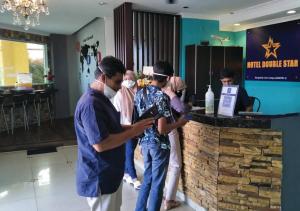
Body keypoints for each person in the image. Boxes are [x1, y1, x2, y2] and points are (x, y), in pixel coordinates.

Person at [74, 56, 153, 211]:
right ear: (103, 78)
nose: (119, 87)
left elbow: (112, 127)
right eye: (117, 82)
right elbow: (100, 144)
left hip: (111, 173)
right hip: (100, 176)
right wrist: (133, 132)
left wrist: (133, 127)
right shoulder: (91, 104)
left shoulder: (102, 99)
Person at [135, 61, 188, 211]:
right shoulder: (162, 97)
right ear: (168, 78)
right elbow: (162, 129)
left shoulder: (140, 93)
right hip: (159, 145)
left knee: (147, 180)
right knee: (158, 184)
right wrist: (180, 123)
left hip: (144, 142)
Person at [113, 70, 141, 190]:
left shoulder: (138, 92)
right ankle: (134, 178)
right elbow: (116, 112)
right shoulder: (119, 94)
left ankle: (125, 173)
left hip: (136, 127)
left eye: (131, 78)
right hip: (125, 128)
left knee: (128, 151)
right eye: (126, 79)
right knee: (129, 153)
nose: (128, 81)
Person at [162, 76, 187, 210]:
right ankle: (169, 199)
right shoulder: (168, 94)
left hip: (156, 134)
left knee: (166, 164)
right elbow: (182, 109)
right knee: (175, 164)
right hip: (169, 130)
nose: (181, 91)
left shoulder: (152, 91)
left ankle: (165, 193)